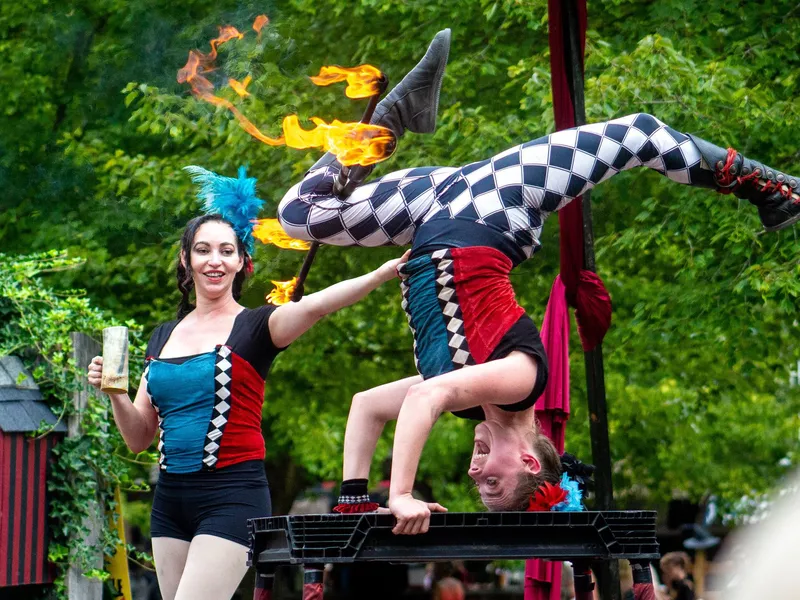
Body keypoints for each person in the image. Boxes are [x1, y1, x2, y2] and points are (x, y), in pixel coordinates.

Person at [277, 29, 800, 533]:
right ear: (529, 462)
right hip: (498, 202)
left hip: (433, 209)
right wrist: (400, 495)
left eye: (478, 484)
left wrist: (353, 500)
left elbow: (366, 407)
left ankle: (395, 114)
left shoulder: (465, 395)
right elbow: (422, 402)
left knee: (300, 215)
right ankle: (770, 185)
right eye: (494, 482)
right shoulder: (520, 382)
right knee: (640, 133)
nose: (474, 473)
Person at [86, 166, 407, 600]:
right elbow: (139, 438)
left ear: (241, 261)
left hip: (232, 496)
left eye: (225, 250)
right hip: (170, 503)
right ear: (186, 260)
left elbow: (316, 306)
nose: (214, 260)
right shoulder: (162, 336)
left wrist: (380, 274)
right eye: (202, 250)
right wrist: (116, 395)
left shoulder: (256, 328)